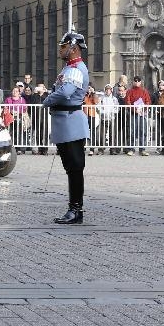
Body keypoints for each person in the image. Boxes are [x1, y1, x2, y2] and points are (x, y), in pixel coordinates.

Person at [44, 31, 90, 224]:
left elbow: (65, 93)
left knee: (74, 168)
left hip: (71, 122)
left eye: (64, 46)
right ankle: (74, 208)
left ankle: (75, 209)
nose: (61, 49)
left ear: (73, 47)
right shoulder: (69, 68)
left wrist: (46, 100)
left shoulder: (76, 69)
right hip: (65, 122)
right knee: (72, 168)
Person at [126, 76, 152, 155]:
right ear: (133, 82)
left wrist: (143, 109)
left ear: (140, 82)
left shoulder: (144, 91)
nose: (137, 82)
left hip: (142, 114)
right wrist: (134, 109)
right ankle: (131, 149)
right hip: (133, 114)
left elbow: (148, 101)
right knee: (132, 131)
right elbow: (128, 102)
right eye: (135, 81)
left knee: (142, 131)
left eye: (138, 81)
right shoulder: (129, 91)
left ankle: (142, 149)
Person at [4, 86, 28, 151]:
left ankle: (19, 148)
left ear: (19, 93)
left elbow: (25, 109)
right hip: (10, 118)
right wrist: (10, 111)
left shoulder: (22, 99)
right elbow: (5, 108)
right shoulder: (8, 99)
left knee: (19, 133)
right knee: (10, 133)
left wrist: (18, 112)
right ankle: (11, 148)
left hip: (19, 118)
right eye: (13, 91)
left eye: (16, 91)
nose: (15, 92)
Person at [98, 84, 119, 154]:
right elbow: (98, 107)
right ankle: (101, 149)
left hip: (112, 118)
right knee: (102, 134)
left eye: (109, 89)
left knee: (112, 134)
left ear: (111, 90)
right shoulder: (101, 98)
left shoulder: (114, 99)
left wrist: (113, 112)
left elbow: (117, 108)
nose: (107, 91)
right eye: (106, 89)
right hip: (103, 118)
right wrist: (103, 112)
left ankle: (112, 149)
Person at [83, 85, 101, 154]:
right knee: (83, 132)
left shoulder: (93, 95)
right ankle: (83, 148)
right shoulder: (84, 95)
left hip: (91, 114)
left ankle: (92, 149)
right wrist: (85, 93)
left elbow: (96, 102)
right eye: (87, 88)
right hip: (84, 115)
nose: (89, 89)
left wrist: (93, 93)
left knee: (92, 132)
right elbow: (82, 101)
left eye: (90, 88)